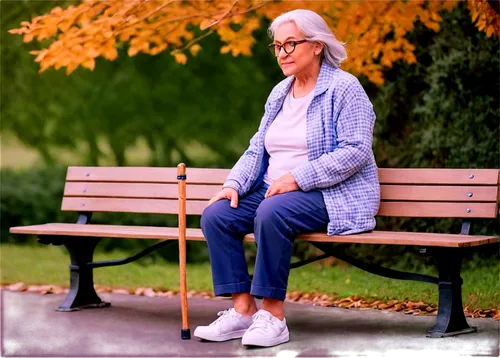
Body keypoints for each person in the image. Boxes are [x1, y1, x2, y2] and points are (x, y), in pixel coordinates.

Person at [193, 9, 380, 348]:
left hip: (332, 193)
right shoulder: (280, 92)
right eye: (277, 46)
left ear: (317, 46)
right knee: (217, 216)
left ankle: (273, 316)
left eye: (291, 44)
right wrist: (232, 184)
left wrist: (298, 177)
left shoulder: (344, 88)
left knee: (272, 212)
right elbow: (256, 148)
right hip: (274, 189)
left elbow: (355, 151)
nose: (282, 53)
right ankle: (243, 310)